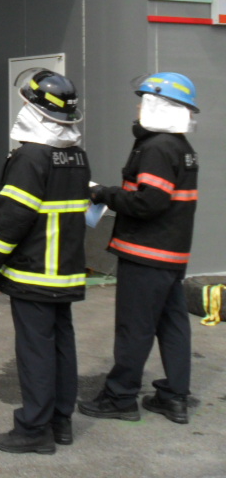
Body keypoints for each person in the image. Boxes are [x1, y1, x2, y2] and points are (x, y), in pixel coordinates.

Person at [0, 69, 90, 455]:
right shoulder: (76, 155)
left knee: (36, 353)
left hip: (34, 272)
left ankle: (34, 430)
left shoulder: (30, 157)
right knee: (61, 348)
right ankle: (60, 423)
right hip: (65, 273)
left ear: (35, 110)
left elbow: (14, 219)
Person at [78, 72, 199, 426]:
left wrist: (104, 194)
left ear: (159, 105)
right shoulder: (182, 148)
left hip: (147, 254)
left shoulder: (157, 147)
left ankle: (120, 397)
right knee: (172, 324)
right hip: (171, 254)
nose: (137, 108)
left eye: (143, 101)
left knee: (135, 327)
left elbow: (149, 202)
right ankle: (174, 397)